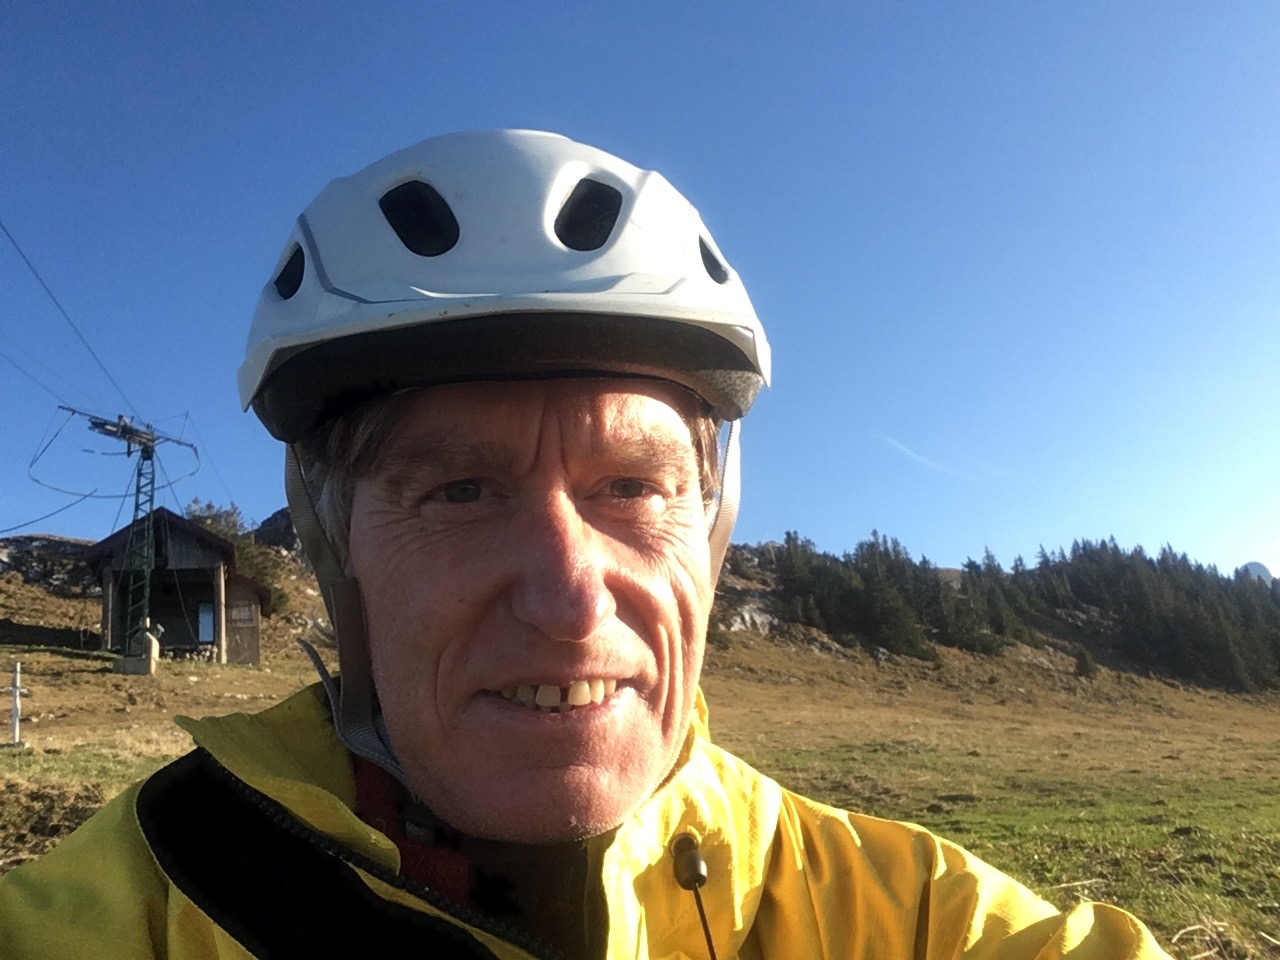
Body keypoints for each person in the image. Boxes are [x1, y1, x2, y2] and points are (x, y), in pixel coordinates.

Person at [0, 130, 1171, 959]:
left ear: (712, 529)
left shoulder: (898, 916)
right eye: (459, 490)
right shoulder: (145, 904)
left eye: (632, 487)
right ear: (336, 543)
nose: (570, 601)